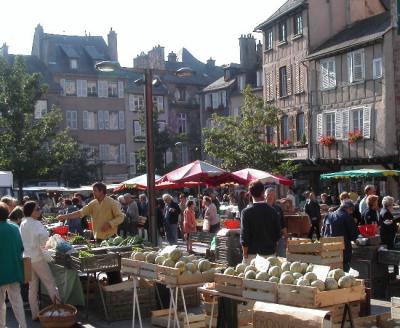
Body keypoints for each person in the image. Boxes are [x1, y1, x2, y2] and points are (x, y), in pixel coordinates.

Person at [57, 182, 124, 284]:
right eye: (93, 190)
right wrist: (65, 216)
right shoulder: (93, 203)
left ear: (102, 191)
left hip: (111, 239)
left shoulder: (112, 202)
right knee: (105, 266)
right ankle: (110, 287)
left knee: (113, 268)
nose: (93, 192)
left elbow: (121, 217)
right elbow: (80, 213)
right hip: (99, 239)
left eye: (95, 191)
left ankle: (116, 287)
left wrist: (110, 224)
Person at [20, 201, 60, 320]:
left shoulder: (23, 222)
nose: (39, 210)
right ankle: (59, 311)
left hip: (27, 257)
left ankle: (35, 314)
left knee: (32, 288)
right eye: (37, 209)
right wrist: (47, 237)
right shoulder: (36, 223)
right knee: (50, 284)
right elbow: (43, 238)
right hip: (37, 257)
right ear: (31, 211)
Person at [240, 180, 281, 265]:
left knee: (250, 278)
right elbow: (277, 234)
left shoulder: (246, 212)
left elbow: (245, 236)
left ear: (250, 194)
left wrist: (245, 254)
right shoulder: (273, 211)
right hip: (270, 254)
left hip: (252, 255)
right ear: (263, 193)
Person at [0, 201, 27, 328]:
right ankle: (23, 325)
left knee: (0, 304)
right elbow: (22, 248)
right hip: (15, 270)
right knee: (17, 301)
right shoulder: (15, 228)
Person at [322, 199, 359, 272]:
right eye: (351, 211)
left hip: (328, 249)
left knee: (330, 271)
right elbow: (353, 235)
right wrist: (357, 240)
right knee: (342, 273)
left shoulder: (328, 216)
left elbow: (323, 232)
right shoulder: (347, 217)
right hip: (343, 250)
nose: (351, 213)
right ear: (348, 208)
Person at [265, 188, 287, 257]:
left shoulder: (278, 208)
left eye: (272, 195)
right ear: (265, 196)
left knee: (281, 258)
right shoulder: (262, 208)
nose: (270, 196)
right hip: (266, 238)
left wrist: (286, 238)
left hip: (279, 238)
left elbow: (282, 224)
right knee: (269, 258)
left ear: (275, 196)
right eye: (268, 194)